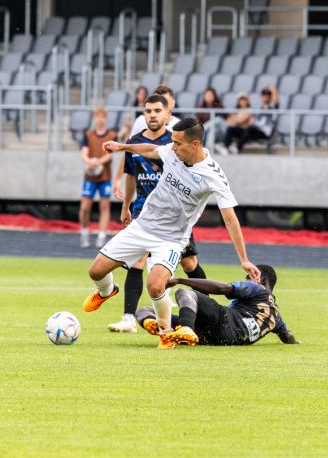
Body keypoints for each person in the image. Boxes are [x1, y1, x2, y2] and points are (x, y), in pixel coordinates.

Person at [84, 118, 259, 348]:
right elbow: (152, 149)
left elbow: (229, 217)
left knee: (156, 285)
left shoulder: (213, 174)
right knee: (95, 272)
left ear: (195, 144)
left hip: (171, 239)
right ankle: (107, 291)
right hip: (142, 226)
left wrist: (244, 260)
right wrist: (122, 147)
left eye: (178, 143)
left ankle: (167, 335)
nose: (172, 147)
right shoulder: (173, 152)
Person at [108, 95, 209, 333]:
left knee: (189, 262)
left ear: (167, 114)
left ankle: (205, 307)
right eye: (148, 111)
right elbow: (130, 175)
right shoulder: (134, 142)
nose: (152, 115)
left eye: (157, 111)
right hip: (144, 208)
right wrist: (126, 207)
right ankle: (128, 318)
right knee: (137, 261)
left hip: (175, 214)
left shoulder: (175, 140)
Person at [134, 265, 299, 348]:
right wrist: (297, 343)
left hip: (225, 321)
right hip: (219, 339)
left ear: (261, 280)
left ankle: (185, 329)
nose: (247, 280)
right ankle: (167, 329)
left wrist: (180, 280)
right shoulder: (276, 316)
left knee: (185, 293)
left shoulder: (257, 288)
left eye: (249, 277)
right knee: (145, 310)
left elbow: (222, 288)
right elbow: (287, 336)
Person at [79, 107, 117, 249]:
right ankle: (84, 232)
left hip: (104, 176)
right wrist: (90, 162)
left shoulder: (112, 135)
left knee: (104, 207)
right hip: (90, 176)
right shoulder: (88, 135)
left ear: (105, 118)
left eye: (102, 117)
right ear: (94, 118)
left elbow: (110, 154)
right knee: (84, 207)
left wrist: (98, 162)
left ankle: (101, 236)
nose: (100, 119)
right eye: (97, 116)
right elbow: (84, 153)